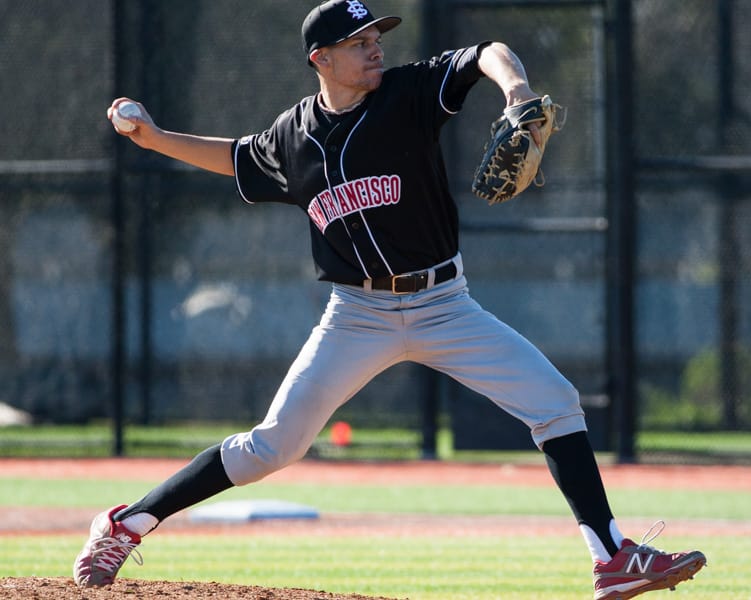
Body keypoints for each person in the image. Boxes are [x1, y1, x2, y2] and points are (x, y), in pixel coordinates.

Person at [73, 1, 705, 598]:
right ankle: (126, 524)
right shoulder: (293, 137)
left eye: (378, 39)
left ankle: (611, 557)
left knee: (556, 401)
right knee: (273, 446)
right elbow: (236, 158)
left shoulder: (407, 94)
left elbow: (489, 50)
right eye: (360, 43)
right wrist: (155, 140)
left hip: (445, 304)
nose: (377, 50)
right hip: (357, 314)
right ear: (321, 58)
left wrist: (515, 90)